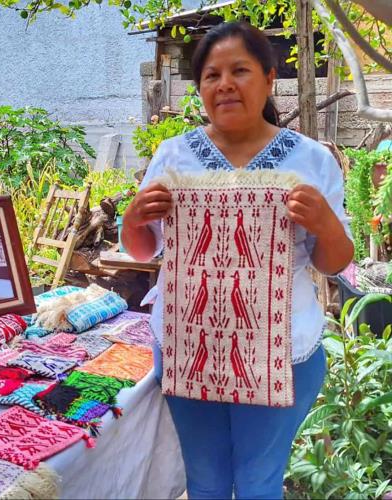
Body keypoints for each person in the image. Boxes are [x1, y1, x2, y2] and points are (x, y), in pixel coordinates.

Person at [122, 22, 353, 499]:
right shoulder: (175, 155)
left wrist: (327, 225)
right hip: (189, 347)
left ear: (270, 78)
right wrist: (133, 220)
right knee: (203, 479)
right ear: (200, 88)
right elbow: (146, 250)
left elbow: (333, 263)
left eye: (239, 70)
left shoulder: (310, 160)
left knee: (259, 482)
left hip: (282, 349)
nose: (224, 84)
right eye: (211, 75)